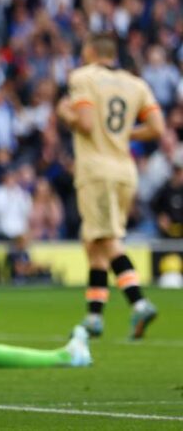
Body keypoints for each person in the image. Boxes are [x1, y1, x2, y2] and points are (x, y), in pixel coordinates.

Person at [56, 32, 164, 339]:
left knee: (107, 238)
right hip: (125, 171)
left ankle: (139, 302)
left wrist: (65, 114)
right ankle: (94, 317)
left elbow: (86, 124)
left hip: (96, 170)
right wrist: (124, 135)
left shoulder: (83, 77)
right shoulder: (136, 83)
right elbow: (157, 128)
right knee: (94, 242)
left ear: (90, 51)